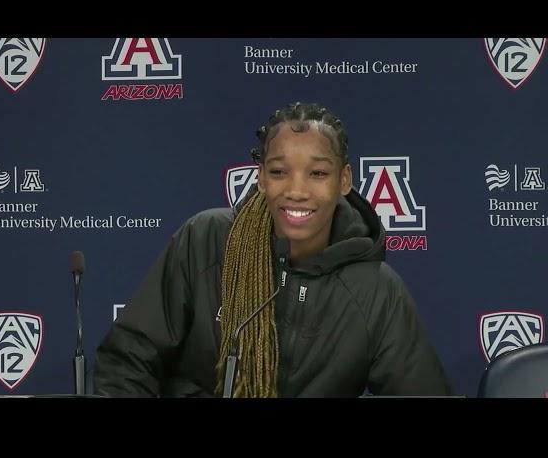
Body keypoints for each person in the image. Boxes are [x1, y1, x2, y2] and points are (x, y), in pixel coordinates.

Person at [94, 102, 452, 397]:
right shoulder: (206, 240)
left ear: (344, 180)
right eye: (279, 172)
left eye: (317, 174)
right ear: (261, 177)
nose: (296, 190)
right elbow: (127, 363)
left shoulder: (376, 290)